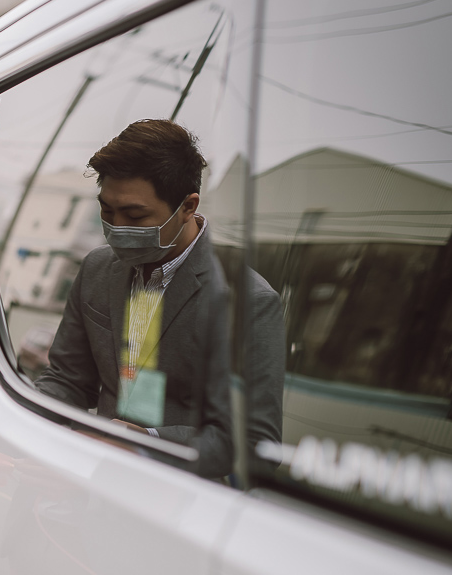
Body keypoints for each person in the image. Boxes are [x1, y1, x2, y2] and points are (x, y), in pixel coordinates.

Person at [33, 119, 283, 478]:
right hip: (87, 487)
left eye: (135, 215)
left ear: (187, 206)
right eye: (106, 211)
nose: (116, 227)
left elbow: (252, 442)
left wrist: (146, 442)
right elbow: (68, 380)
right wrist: (7, 422)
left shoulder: (249, 302)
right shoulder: (96, 267)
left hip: (178, 505)